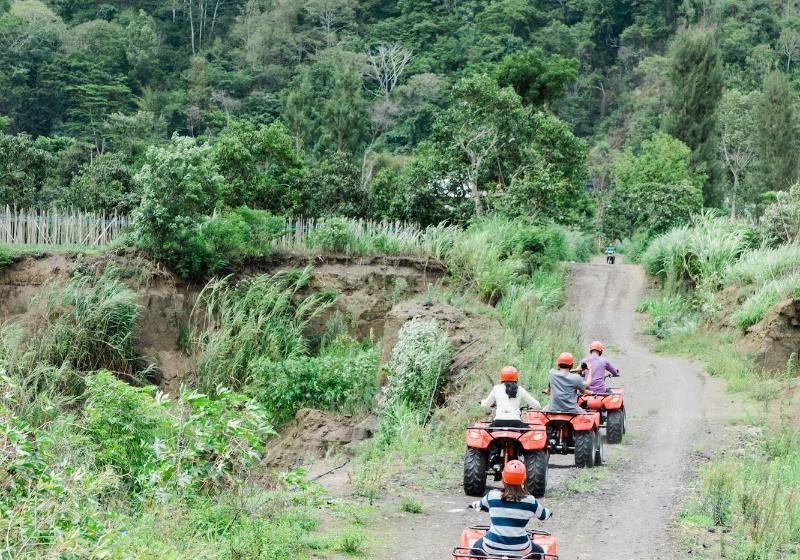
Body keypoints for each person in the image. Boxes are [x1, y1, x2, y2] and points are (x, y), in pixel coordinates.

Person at [469, 460, 552, 558]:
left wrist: (472, 505)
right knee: (540, 552)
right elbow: (543, 515)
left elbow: (479, 505)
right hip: (521, 549)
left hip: (491, 546)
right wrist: (549, 513)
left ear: (503, 478)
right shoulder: (530, 501)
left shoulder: (492, 497)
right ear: (524, 479)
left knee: (474, 549)